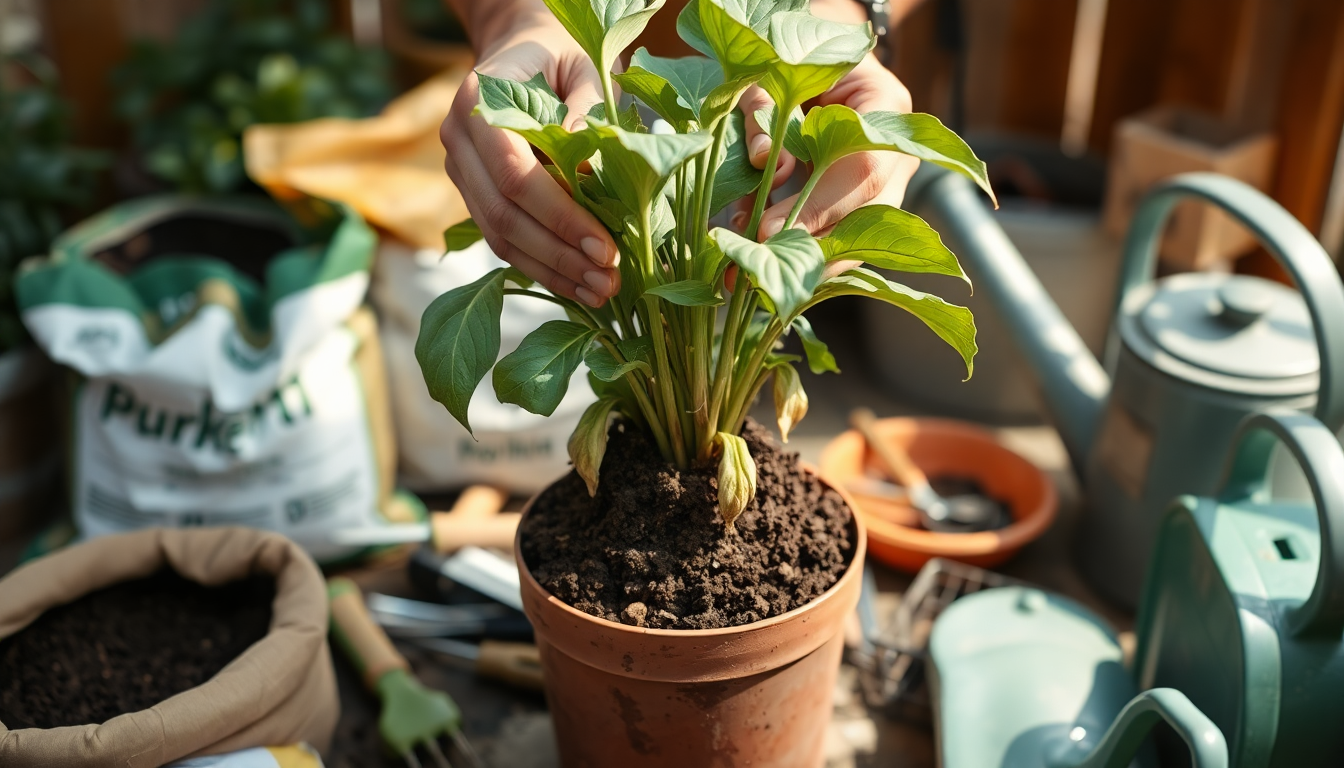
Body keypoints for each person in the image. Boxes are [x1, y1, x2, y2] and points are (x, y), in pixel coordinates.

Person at [439, 0, 917, 308]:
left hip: (764, 117)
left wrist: (847, 14)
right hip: (581, 89)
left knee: (749, 296)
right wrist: (518, 16)